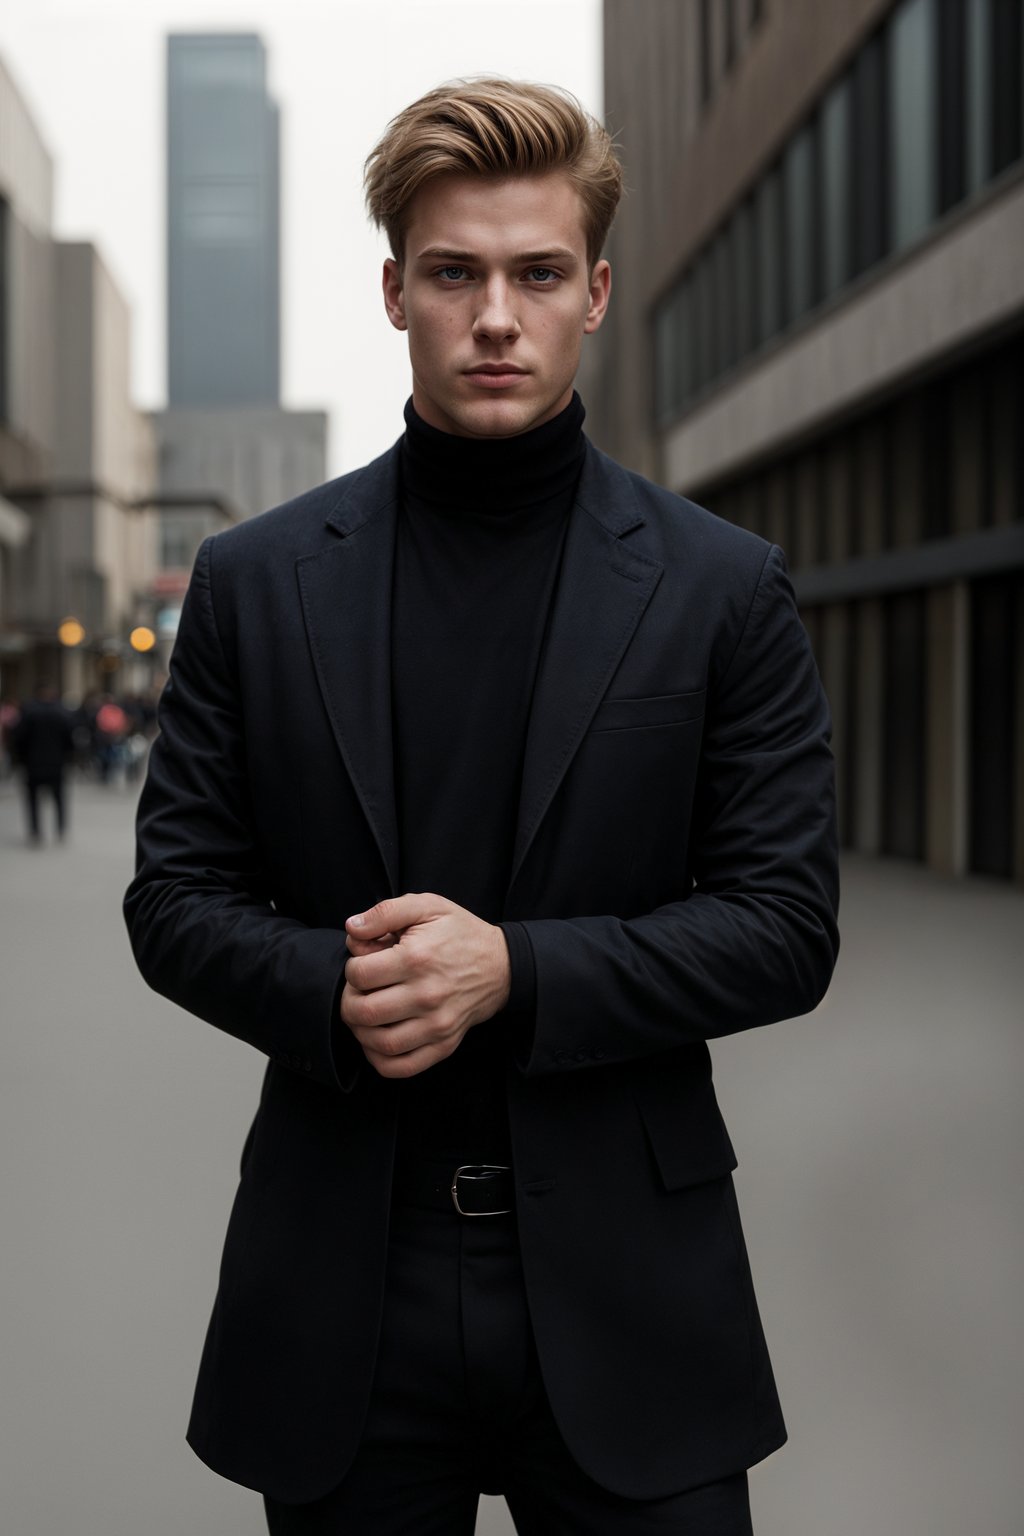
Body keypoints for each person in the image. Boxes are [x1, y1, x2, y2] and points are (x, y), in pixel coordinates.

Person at [125, 79, 839, 1535]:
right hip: (344, 1284)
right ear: (396, 292)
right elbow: (174, 901)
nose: (495, 316)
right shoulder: (258, 584)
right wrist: (346, 987)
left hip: (636, 1286)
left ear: (596, 292)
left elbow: (784, 927)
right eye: (455, 273)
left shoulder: (723, 589)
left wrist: (513, 972)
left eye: (536, 274)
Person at [12, 682, 76, 844]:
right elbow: (69, 738)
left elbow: (19, 738)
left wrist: (20, 760)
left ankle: (35, 831)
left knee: (33, 799)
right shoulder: (61, 712)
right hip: (56, 763)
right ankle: (60, 829)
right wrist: (69, 758)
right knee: (59, 798)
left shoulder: (28, 711)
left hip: (33, 763)